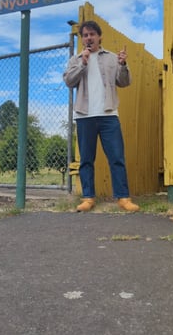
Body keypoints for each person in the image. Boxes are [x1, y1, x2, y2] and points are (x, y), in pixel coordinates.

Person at [63, 20, 139, 212]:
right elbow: (69, 82)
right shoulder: (75, 59)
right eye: (85, 35)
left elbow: (124, 82)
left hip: (108, 114)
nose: (89, 38)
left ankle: (123, 198)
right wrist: (83, 63)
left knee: (116, 157)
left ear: (99, 36)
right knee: (86, 159)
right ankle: (88, 198)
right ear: (82, 39)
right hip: (84, 115)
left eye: (92, 34)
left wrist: (123, 65)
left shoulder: (112, 58)